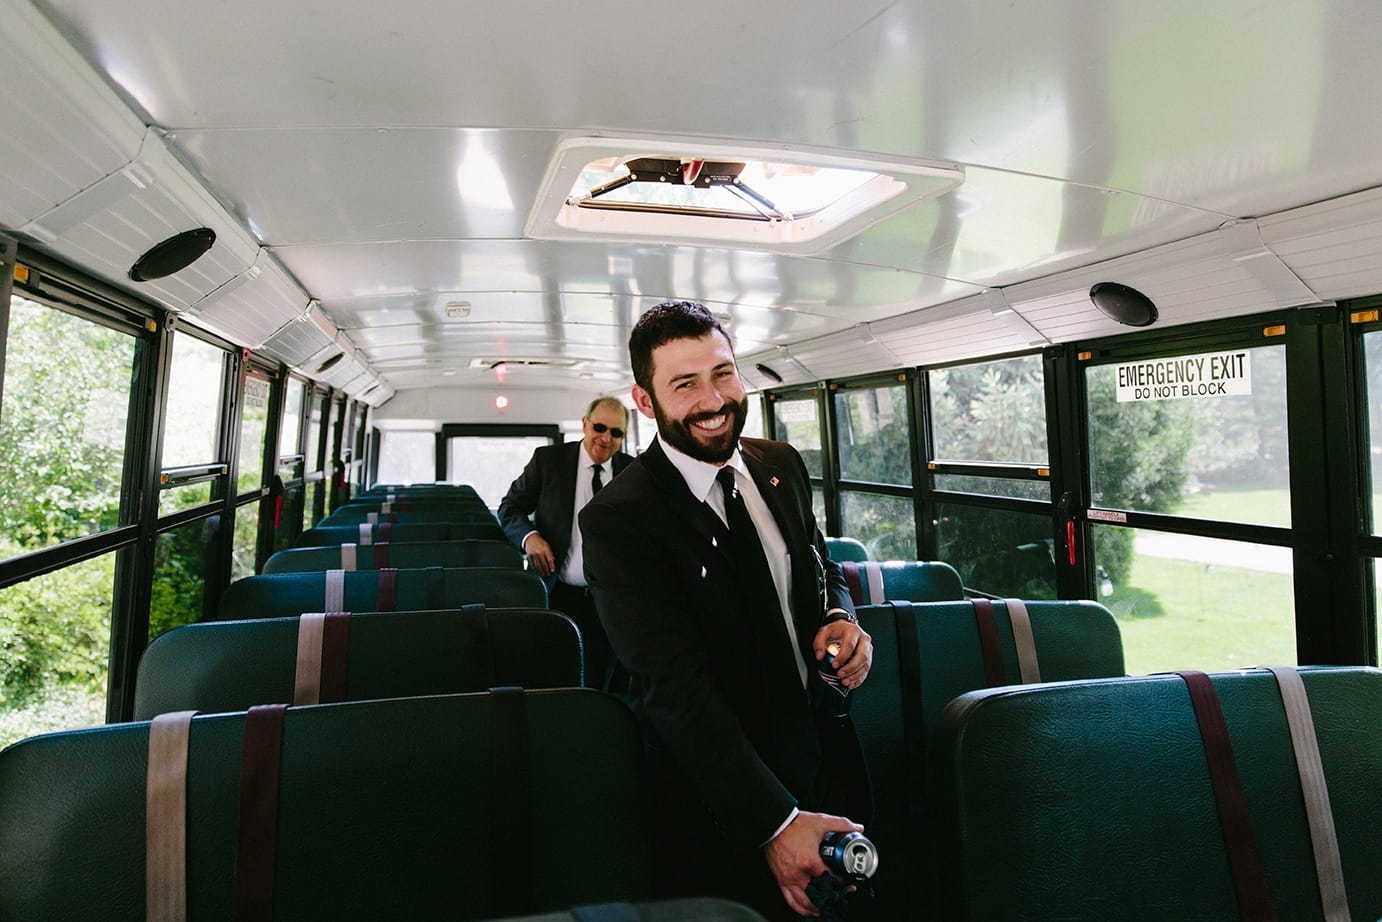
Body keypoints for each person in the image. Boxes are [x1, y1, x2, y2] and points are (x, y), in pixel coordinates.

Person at [579, 300, 873, 920]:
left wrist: (841, 617)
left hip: (822, 757)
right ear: (644, 399)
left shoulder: (780, 466)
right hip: (719, 795)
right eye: (684, 384)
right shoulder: (619, 519)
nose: (713, 399)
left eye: (723, 373)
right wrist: (773, 822)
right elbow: (673, 688)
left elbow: (819, 568)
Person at [498, 395, 633, 689]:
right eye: (599, 427)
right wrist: (529, 537)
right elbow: (509, 508)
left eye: (616, 432)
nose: (605, 438)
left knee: (604, 683)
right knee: (554, 675)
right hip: (559, 591)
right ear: (585, 424)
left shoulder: (634, 473)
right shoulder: (548, 462)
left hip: (612, 598)